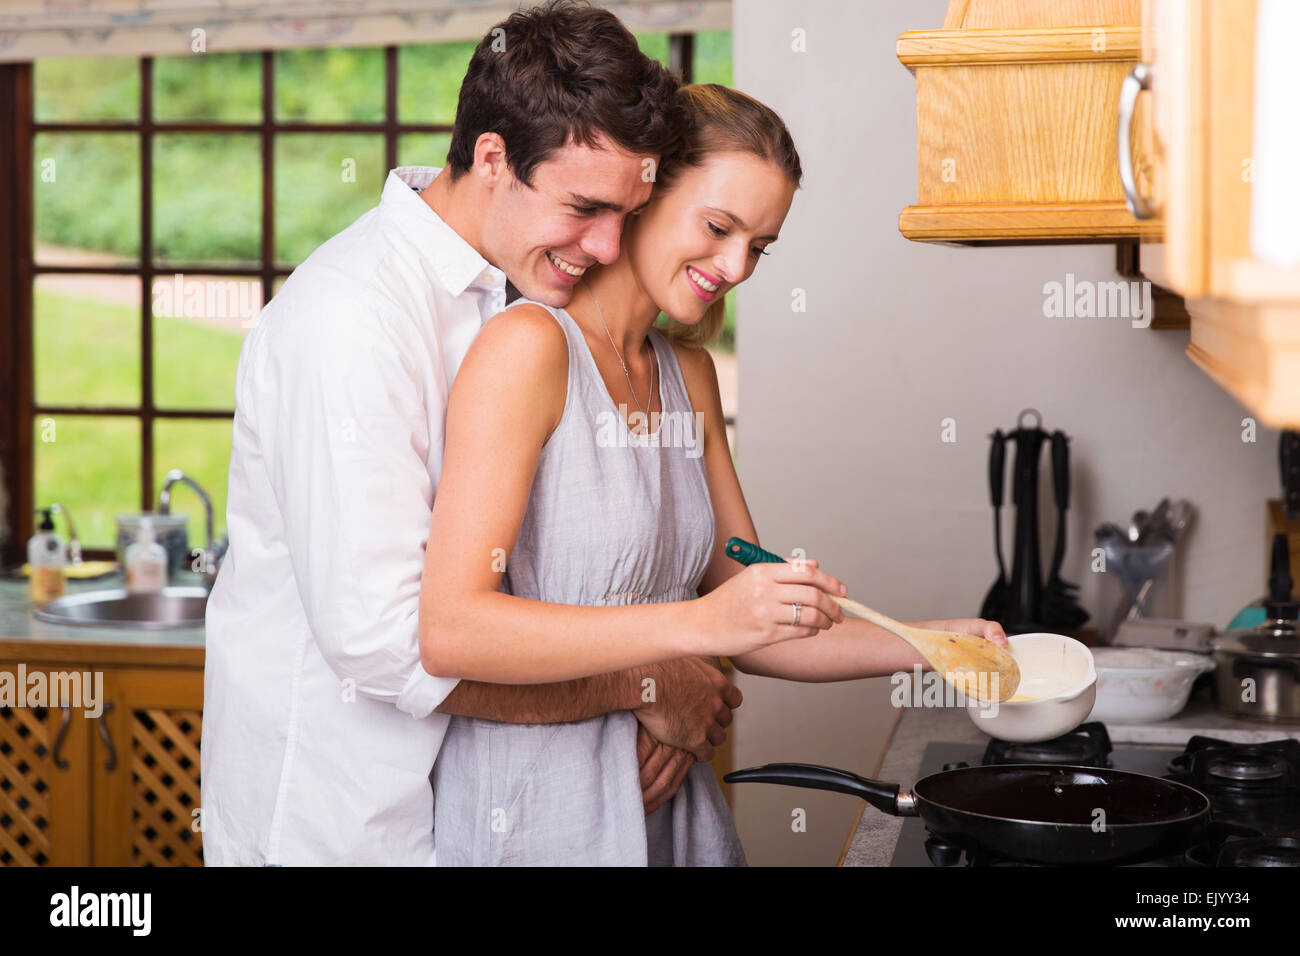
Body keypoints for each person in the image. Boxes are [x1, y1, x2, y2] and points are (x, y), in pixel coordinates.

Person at [200, 0, 759, 866]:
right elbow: (389, 641)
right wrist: (644, 680)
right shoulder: (351, 320)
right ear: (494, 157)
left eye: (627, 213)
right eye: (583, 207)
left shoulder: (523, 288)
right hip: (342, 828)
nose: (609, 247)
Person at [421, 84, 1008, 866]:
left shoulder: (687, 375)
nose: (736, 267)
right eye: (719, 227)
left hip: (672, 809)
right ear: (645, 191)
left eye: (759, 246)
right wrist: (686, 647)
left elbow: (751, 603)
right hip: (536, 814)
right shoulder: (528, 348)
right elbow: (453, 628)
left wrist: (925, 643)